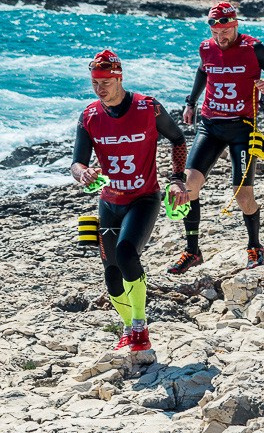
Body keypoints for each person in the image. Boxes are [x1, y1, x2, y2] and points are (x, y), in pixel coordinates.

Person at [71, 49, 188, 351]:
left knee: (126, 254)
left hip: (144, 199)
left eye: (106, 82)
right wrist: (83, 174)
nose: (100, 88)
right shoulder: (89, 116)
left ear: (119, 77)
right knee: (111, 275)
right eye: (95, 82)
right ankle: (126, 327)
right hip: (109, 202)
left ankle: (140, 327)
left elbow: (177, 139)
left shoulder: (148, 108)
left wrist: (177, 180)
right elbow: (77, 163)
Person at [168, 2, 264, 275]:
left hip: (242, 129)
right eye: (216, 33)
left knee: (242, 195)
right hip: (210, 125)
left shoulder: (254, 48)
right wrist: (191, 103)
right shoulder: (206, 47)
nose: (220, 38)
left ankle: (255, 247)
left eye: (225, 32)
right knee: (189, 187)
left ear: (235, 25)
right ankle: (192, 251)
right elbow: (203, 70)